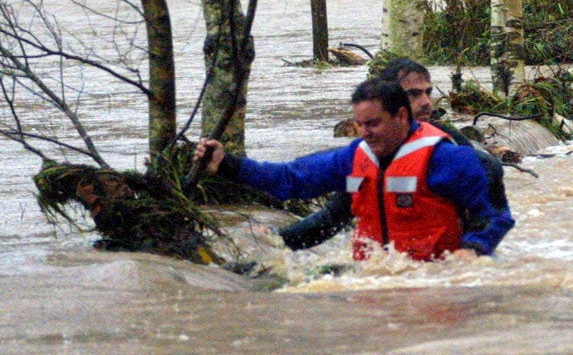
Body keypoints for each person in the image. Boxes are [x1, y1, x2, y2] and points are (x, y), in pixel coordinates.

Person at [195, 79, 513, 260]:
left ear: (402, 117)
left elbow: (495, 216)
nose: (364, 132)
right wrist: (227, 163)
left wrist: (473, 249)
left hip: (440, 278)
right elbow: (288, 180)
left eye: (373, 123)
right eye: (359, 124)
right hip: (375, 277)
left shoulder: (448, 158)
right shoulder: (353, 157)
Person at [277, 59, 509, 251]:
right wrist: (277, 244)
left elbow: (490, 177)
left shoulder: (447, 143)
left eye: (428, 93)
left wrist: (473, 251)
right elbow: (333, 217)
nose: (426, 103)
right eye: (414, 95)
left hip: (445, 268)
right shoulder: (369, 154)